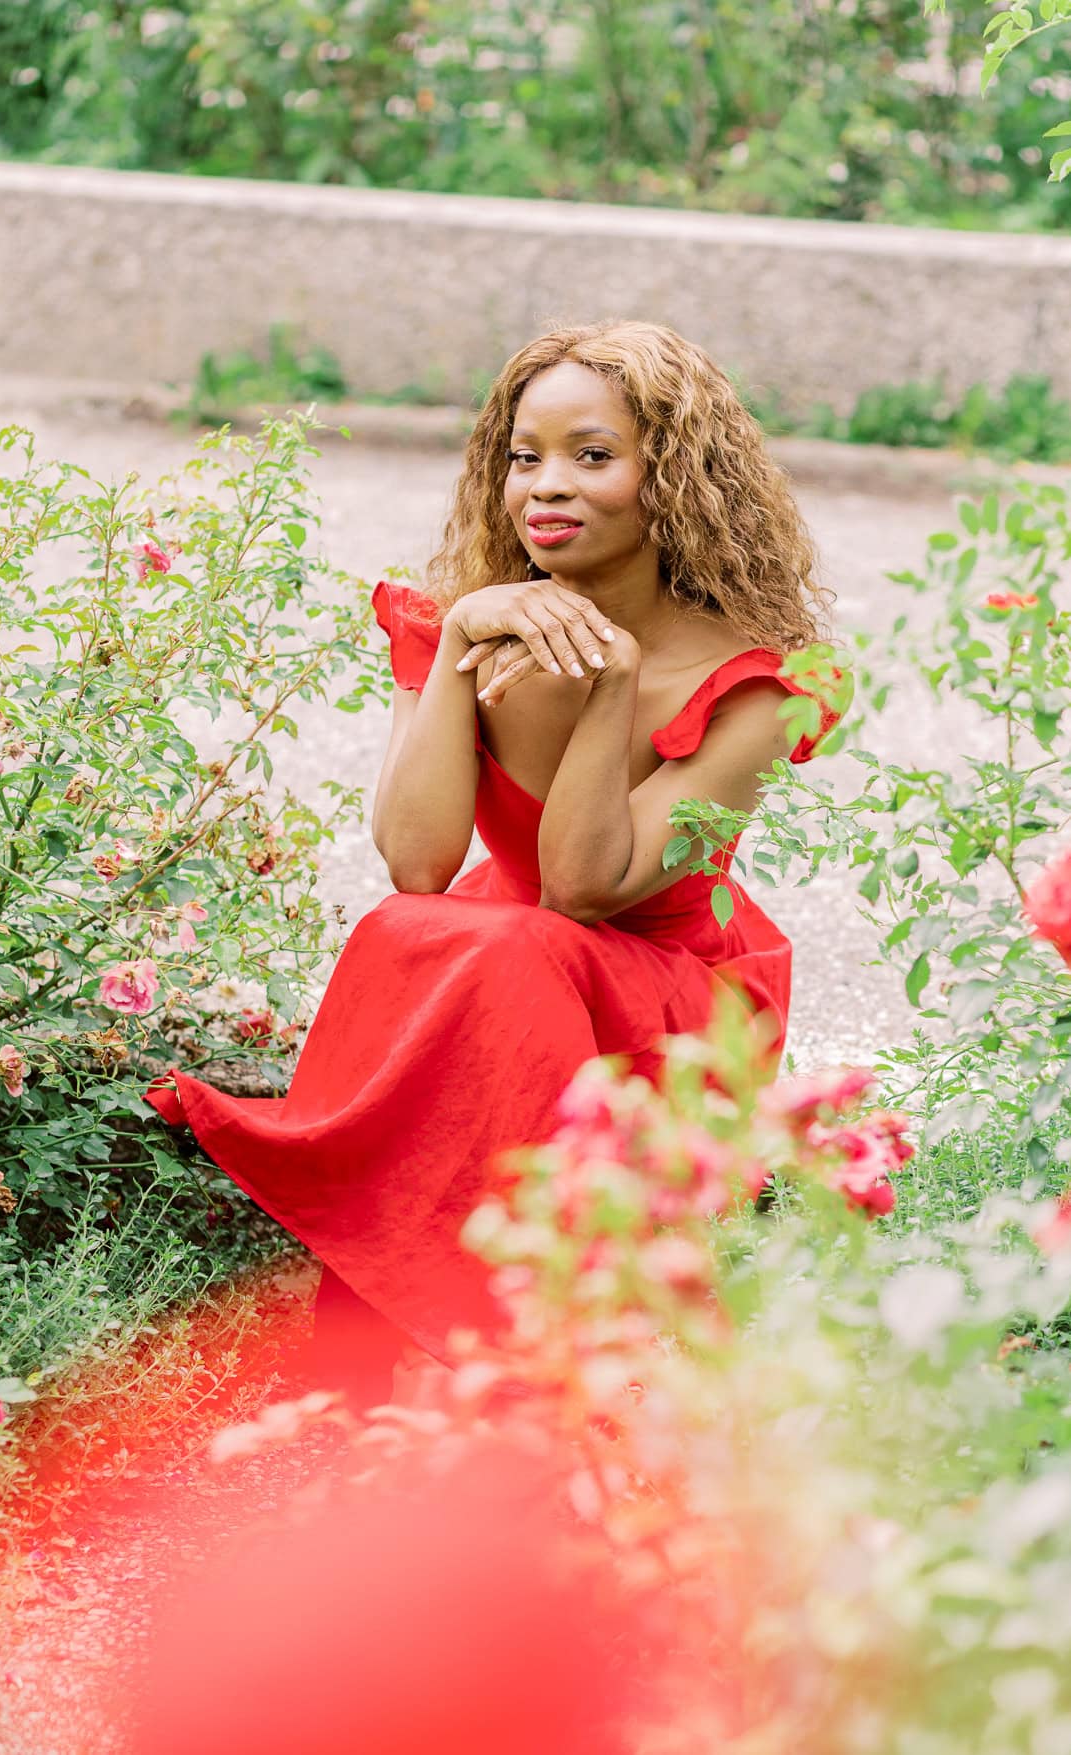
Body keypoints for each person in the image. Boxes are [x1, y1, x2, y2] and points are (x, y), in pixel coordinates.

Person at [145, 319, 837, 1404]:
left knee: (507, 950)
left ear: (677, 478)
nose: (545, 488)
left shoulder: (752, 687)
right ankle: (395, 1342)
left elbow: (582, 888)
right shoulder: (463, 619)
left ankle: (504, 1359)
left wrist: (611, 686)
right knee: (426, 933)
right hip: (495, 960)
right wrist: (462, 643)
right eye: (525, 457)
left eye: (592, 456)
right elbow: (418, 864)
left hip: (662, 995)